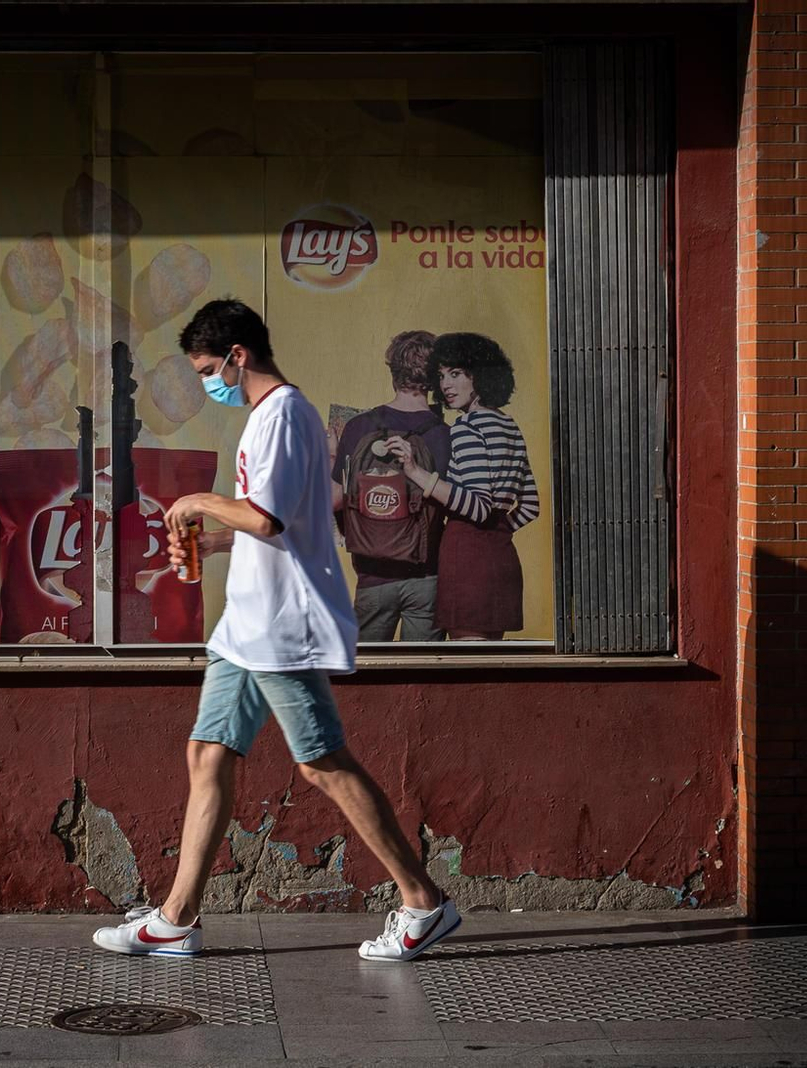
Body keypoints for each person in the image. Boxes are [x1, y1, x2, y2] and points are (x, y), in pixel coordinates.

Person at [91, 299, 459, 962]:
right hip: (247, 625)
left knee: (322, 764)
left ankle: (422, 902)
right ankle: (176, 918)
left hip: (280, 626)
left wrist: (198, 502)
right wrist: (212, 540)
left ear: (238, 355)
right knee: (207, 754)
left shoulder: (284, 414)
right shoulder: (268, 418)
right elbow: (279, 520)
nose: (210, 384)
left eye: (209, 369)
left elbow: (267, 519)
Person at [385, 332, 539, 641]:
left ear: (479, 374)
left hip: (468, 560)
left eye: (455, 373)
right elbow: (532, 505)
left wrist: (415, 472)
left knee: (469, 660)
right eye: (441, 376)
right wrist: (498, 532)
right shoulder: (509, 426)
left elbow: (478, 507)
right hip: (502, 559)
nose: (445, 385)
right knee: (490, 665)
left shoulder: (467, 428)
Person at [331, 331, 452, 642]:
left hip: (372, 576)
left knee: (368, 681)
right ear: (434, 377)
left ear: (392, 372)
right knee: (424, 677)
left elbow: (334, 499)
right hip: (427, 577)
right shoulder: (445, 435)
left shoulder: (358, 427)